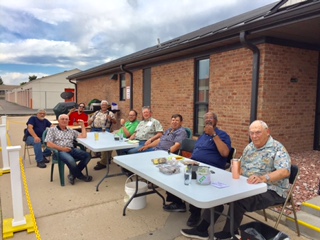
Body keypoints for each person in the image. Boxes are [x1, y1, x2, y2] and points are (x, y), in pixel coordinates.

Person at [180, 120, 291, 240]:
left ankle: (229, 233)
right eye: (251, 133)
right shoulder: (250, 147)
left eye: (258, 132)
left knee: (238, 200)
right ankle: (201, 230)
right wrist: (236, 169)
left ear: (267, 132)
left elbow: (285, 171)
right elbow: (241, 165)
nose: (254, 136)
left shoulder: (277, 148)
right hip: (247, 184)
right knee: (216, 192)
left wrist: (263, 178)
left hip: (271, 190)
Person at [164, 112, 231, 228]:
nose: (208, 120)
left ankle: (195, 213)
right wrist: (190, 161)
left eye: (211, 118)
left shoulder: (222, 135)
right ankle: (178, 203)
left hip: (210, 168)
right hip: (194, 164)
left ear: (216, 121)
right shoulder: (203, 136)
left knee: (193, 183)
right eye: (206, 118)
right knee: (172, 175)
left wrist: (214, 135)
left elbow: (225, 153)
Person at [45, 114, 92, 185]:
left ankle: (73, 175)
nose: (64, 120)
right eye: (62, 119)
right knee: (71, 160)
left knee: (87, 155)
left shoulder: (70, 130)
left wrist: (82, 125)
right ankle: (81, 176)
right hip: (59, 151)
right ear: (58, 120)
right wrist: (62, 149)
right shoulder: (52, 130)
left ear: (68, 121)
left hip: (71, 149)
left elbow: (83, 136)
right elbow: (49, 144)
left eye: (66, 119)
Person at [88, 100, 116, 166]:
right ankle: (98, 153)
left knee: (105, 143)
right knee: (89, 139)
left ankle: (104, 159)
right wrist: (90, 120)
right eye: (102, 105)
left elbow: (115, 122)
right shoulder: (96, 112)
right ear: (100, 106)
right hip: (95, 129)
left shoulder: (110, 113)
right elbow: (89, 122)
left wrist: (111, 119)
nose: (103, 106)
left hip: (105, 130)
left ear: (107, 106)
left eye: (105, 105)